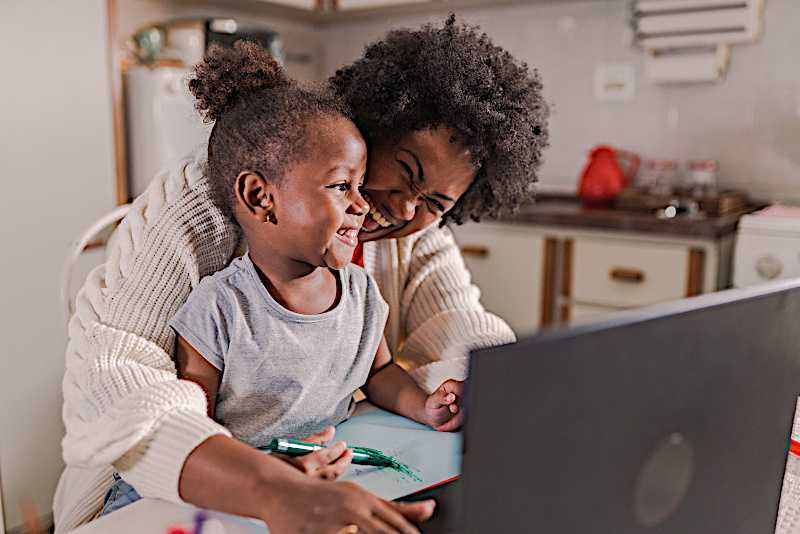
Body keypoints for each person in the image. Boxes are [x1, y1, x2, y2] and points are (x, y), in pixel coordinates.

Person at [55, 15, 549, 534]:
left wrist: (484, 384)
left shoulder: (406, 232)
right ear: (369, 127)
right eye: (405, 170)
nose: (404, 209)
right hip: (170, 490)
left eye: (434, 203)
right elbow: (118, 375)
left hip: (313, 463)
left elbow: (454, 318)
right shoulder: (202, 207)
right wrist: (267, 485)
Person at [99, 42, 465, 519]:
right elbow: (194, 420)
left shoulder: (361, 293)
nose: (362, 205)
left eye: (359, 185)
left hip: (316, 469)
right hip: (227, 483)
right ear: (259, 197)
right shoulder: (221, 305)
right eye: (340, 187)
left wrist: (425, 405)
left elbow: (379, 374)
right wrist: (260, 473)